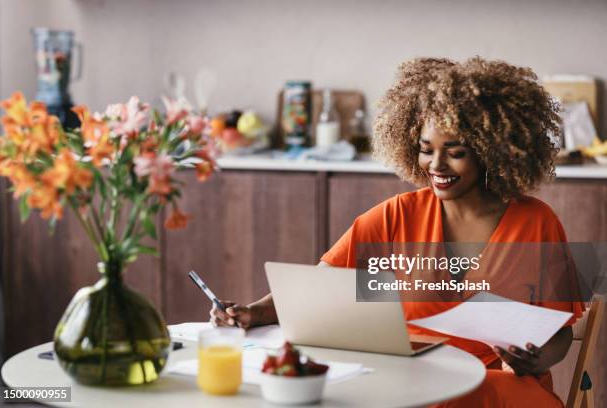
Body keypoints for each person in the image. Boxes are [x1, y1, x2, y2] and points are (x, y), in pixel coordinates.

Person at [210, 57, 585, 406]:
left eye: (454, 152)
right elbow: (319, 289)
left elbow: (560, 335)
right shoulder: (396, 216)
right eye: (426, 150)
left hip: (502, 385)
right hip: (415, 379)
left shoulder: (537, 222)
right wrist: (254, 312)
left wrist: (534, 360)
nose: (436, 165)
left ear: (490, 150)